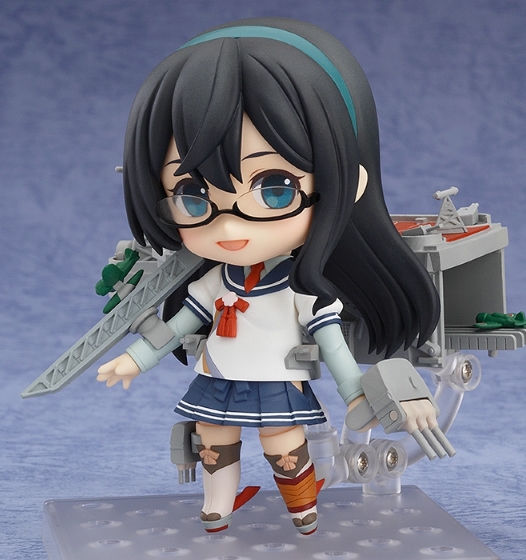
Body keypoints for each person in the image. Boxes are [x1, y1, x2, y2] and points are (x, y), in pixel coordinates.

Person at [97, 17, 440, 535]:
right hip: (218, 377)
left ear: (344, 184)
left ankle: (302, 507)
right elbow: (178, 326)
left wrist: (355, 395)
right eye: (192, 195)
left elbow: (335, 347)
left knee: (283, 445)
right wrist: (135, 360)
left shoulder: (302, 290)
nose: (229, 226)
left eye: (275, 188)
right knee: (212, 440)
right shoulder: (216, 283)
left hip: (278, 380)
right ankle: (217, 504)